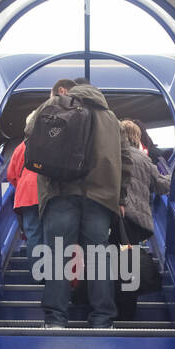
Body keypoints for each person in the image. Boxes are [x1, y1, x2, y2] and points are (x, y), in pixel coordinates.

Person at [34, 77, 132, 328]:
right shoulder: (112, 119)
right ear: (97, 92)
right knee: (99, 255)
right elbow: (126, 160)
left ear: (73, 89)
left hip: (60, 192)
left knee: (57, 255)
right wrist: (119, 198)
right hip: (99, 198)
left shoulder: (57, 104)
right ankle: (102, 318)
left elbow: (31, 135)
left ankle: (56, 319)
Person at [118, 119, 171, 243]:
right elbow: (160, 185)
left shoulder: (110, 154)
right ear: (136, 137)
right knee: (131, 255)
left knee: (109, 250)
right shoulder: (143, 159)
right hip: (136, 217)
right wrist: (173, 178)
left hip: (114, 212)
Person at [5, 110, 42, 272]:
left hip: (25, 195)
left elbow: (11, 175)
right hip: (48, 192)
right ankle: (52, 275)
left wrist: (20, 185)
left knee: (33, 233)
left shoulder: (20, 147)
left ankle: (37, 274)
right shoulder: (50, 144)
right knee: (51, 232)